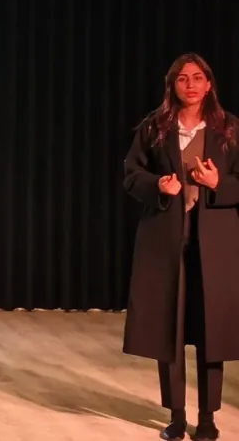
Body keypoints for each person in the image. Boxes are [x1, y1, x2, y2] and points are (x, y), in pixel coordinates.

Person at [124, 53, 239, 440]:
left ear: (209, 84)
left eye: (197, 78)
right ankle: (176, 415)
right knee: (168, 330)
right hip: (166, 241)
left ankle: (207, 418)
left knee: (212, 333)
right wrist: (158, 185)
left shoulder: (229, 129)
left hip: (216, 245)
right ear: (172, 85)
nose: (190, 85)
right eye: (182, 79)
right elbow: (131, 174)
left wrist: (218, 184)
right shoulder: (155, 127)